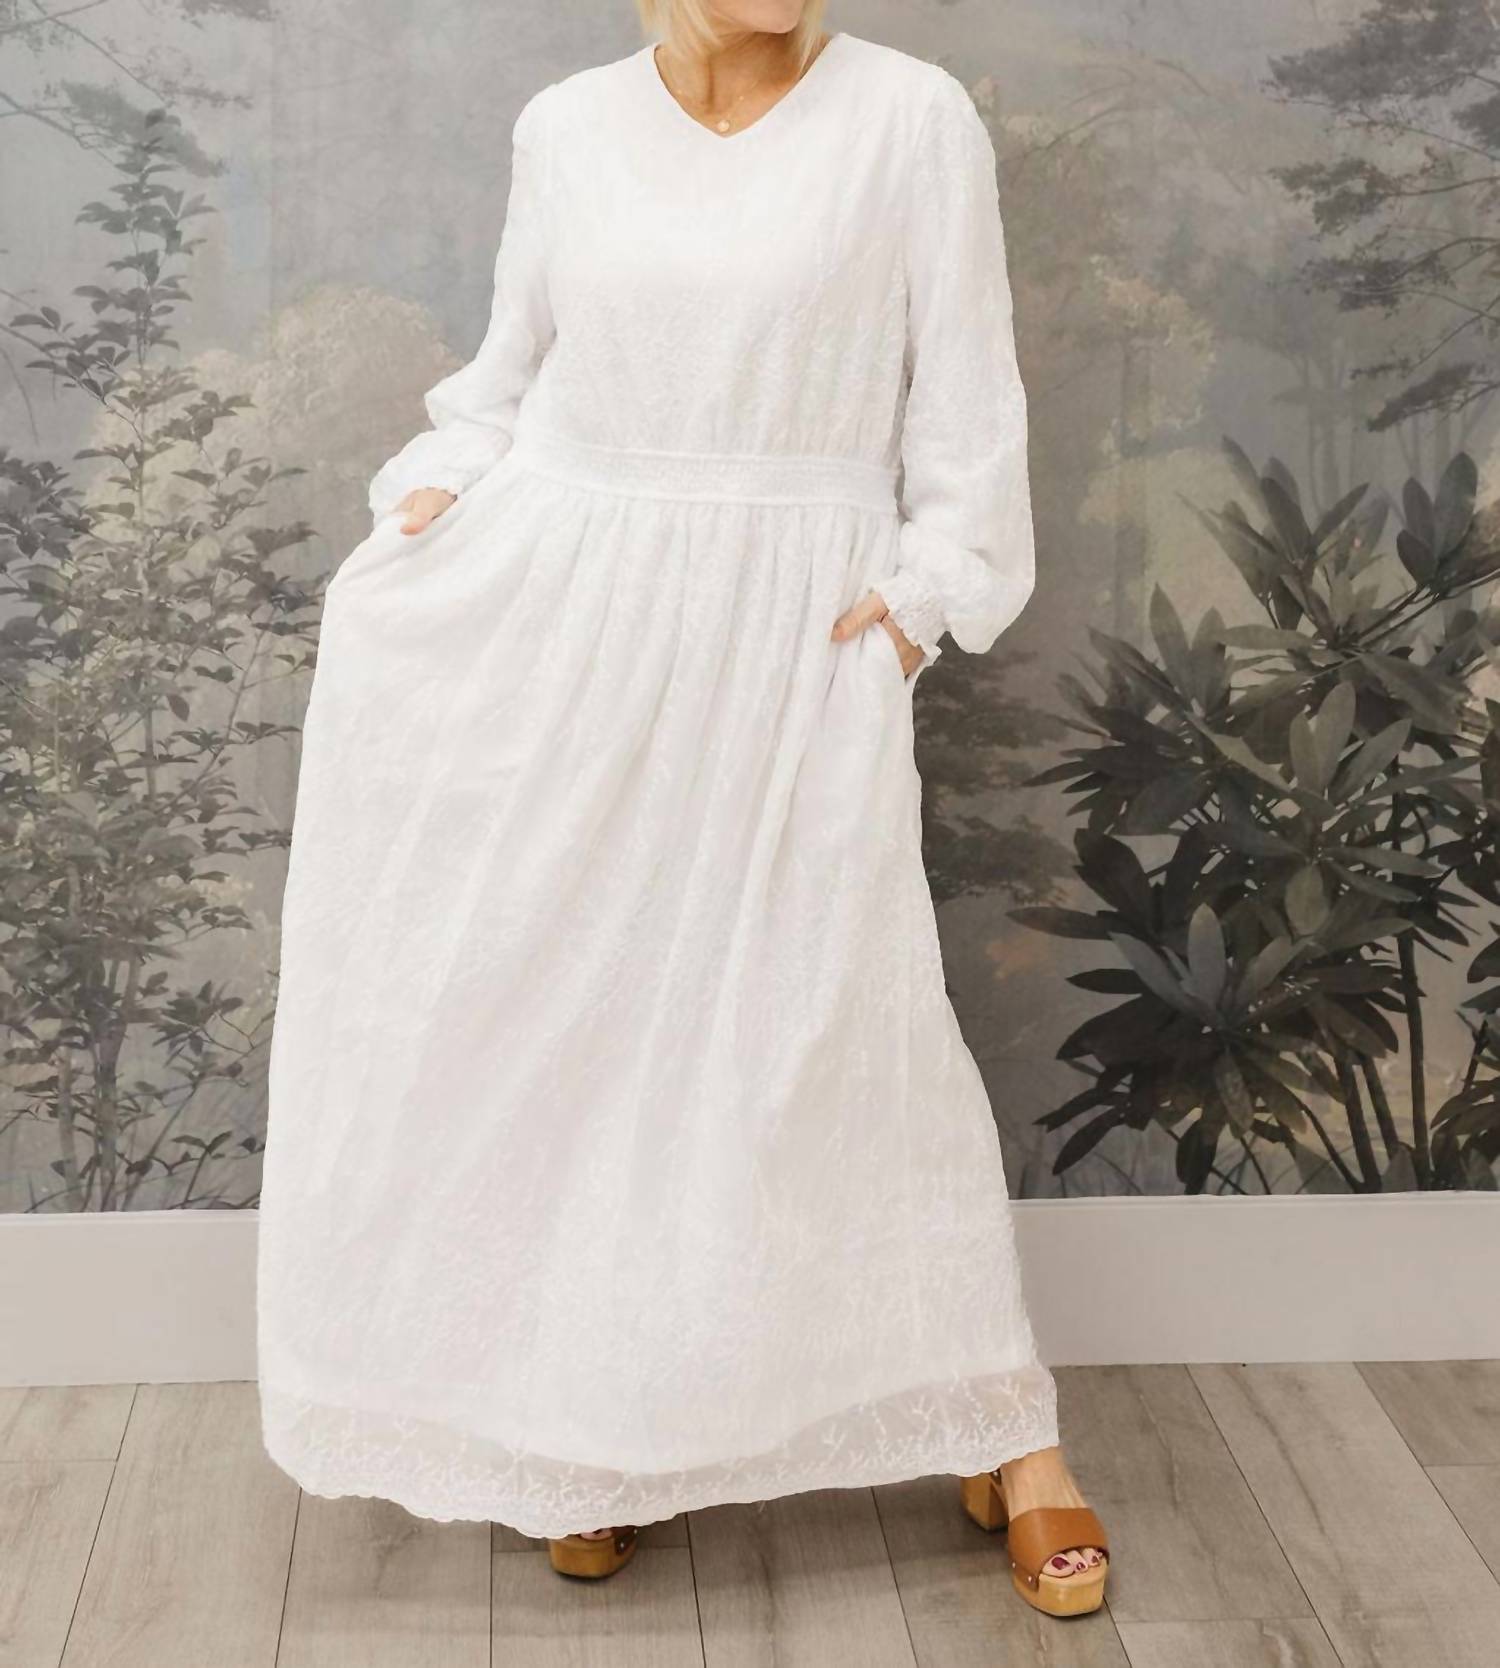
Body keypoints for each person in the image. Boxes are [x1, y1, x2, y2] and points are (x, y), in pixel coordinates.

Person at [256, 0, 1110, 1620]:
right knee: (581, 1026)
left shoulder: (908, 117)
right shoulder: (570, 126)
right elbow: (509, 377)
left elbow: (967, 394)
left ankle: (1008, 1430)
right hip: (571, 610)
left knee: (834, 1020)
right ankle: (596, 1446)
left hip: (794, 626)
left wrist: (926, 596)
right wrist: (441, 488)